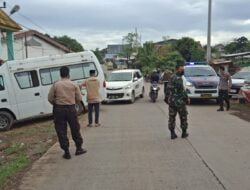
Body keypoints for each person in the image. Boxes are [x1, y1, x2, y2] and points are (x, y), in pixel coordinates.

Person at [48, 66, 87, 160]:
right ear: (68, 74)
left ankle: (66, 152)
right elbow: (79, 99)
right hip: (71, 109)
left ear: (60, 74)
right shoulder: (73, 84)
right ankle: (78, 148)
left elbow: (50, 98)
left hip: (59, 110)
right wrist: (72, 102)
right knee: (75, 128)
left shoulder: (56, 85)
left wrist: (56, 103)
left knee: (61, 130)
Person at [165, 61, 189, 140]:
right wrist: (186, 98)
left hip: (171, 101)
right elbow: (181, 91)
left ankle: (172, 134)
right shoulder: (179, 79)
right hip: (179, 102)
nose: (183, 70)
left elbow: (167, 89)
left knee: (172, 117)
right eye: (181, 69)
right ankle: (184, 133)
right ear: (177, 69)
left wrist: (167, 98)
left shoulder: (171, 77)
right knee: (183, 117)